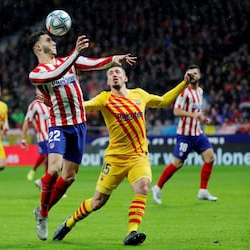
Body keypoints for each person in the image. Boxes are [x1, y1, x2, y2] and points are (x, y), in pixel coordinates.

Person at [52, 65, 190, 245]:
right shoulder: (104, 98)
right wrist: (60, 102)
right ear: (108, 82)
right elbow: (84, 106)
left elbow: (164, 101)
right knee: (97, 202)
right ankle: (69, 223)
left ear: (125, 78)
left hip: (138, 156)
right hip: (115, 159)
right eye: (111, 74)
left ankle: (132, 232)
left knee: (143, 186)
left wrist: (184, 83)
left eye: (118, 72)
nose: (114, 75)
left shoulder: (140, 94)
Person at [27, 30, 137, 241]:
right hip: (58, 125)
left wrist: (114, 59)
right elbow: (54, 75)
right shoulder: (37, 73)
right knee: (54, 168)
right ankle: (43, 215)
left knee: (69, 177)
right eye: (49, 39)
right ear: (39, 48)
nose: (54, 41)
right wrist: (75, 53)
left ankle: (41, 209)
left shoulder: (69, 61)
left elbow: (95, 63)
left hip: (79, 125)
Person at [151, 65, 217, 205]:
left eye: (195, 73)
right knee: (177, 163)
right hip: (185, 135)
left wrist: (202, 119)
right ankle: (157, 188)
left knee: (210, 157)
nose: (193, 75)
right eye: (190, 73)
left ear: (199, 76)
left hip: (197, 133)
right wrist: (194, 115)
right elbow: (176, 111)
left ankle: (203, 190)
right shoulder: (184, 92)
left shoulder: (200, 91)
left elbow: (196, 112)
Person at [21, 88, 50, 189]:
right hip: (43, 137)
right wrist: (23, 139)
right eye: (39, 89)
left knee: (52, 162)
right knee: (49, 157)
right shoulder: (34, 105)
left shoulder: (52, 101)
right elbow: (27, 121)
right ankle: (40, 177)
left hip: (54, 135)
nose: (41, 91)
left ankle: (44, 183)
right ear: (36, 91)